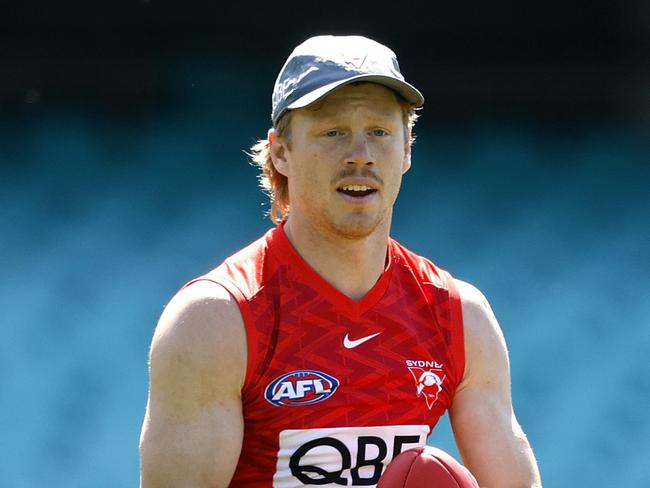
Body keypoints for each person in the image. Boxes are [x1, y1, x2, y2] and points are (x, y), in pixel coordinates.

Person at [139, 35, 542, 487]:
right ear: (280, 152)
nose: (360, 155)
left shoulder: (457, 317)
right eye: (333, 132)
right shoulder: (217, 320)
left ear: (406, 149)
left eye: (380, 132)